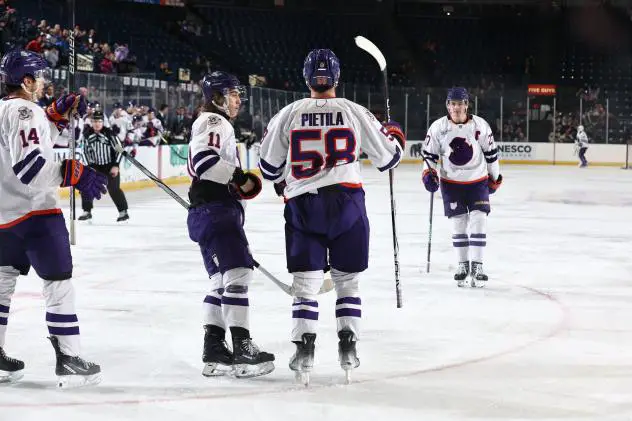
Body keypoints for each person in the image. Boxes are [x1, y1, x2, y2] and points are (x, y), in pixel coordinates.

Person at [258, 49, 405, 382]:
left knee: (306, 285)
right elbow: (389, 159)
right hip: (347, 203)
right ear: (337, 78)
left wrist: (286, 178)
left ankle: (304, 349)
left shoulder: (288, 113)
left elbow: (268, 168)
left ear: (306, 77)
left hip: (302, 205)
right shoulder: (354, 111)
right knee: (347, 282)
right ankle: (348, 345)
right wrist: (393, 133)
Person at [0, 49, 108, 386]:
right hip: (36, 214)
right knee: (58, 285)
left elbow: (31, 141)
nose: (46, 84)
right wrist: (73, 172)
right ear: (27, 81)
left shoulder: (7, 109)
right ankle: (69, 358)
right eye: (41, 78)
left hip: (3, 216)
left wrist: (56, 117)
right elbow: (32, 167)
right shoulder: (25, 110)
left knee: (1, 286)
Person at [187, 71, 274, 378]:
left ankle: (214, 349)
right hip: (217, 212)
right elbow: (204, 161)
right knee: (239, 274)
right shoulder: (215, 121)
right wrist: (237, 178)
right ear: (219, 97)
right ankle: (242, 349)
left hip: (207, 211)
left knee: (220, 281)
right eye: (234, 94)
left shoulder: (212, 122)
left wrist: (235, 185)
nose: (238, 99)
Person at [421, 87, 502, 288]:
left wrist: (495, 176)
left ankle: (478, 266)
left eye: (460, 103)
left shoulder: (480, 125)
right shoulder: (438, 128)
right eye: (453, 104)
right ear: (448, 106)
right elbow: (429, 156)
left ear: (467, 105)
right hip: (451, 183)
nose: (456, 107)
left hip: (478, 181)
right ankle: (463, 265)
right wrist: (428, 174)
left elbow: (491, 153)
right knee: (459, 223)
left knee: (479, 219)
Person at [78, 110, 129, 223]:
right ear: (91, 122)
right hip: (95, 166)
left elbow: (120, 150)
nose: (97, 124)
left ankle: (123, 212)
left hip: (110, 166)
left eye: (99, 121)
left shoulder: (109, 134)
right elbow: (84, 152)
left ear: (103, 122)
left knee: (114, 189)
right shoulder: (87, 135)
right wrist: (88, 167)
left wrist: (116, 166)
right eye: (95, 121)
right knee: (86, 186)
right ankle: (87, 211)